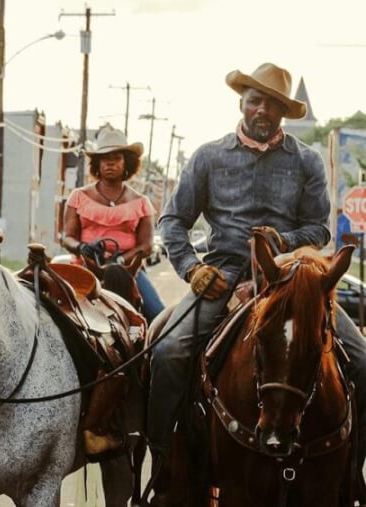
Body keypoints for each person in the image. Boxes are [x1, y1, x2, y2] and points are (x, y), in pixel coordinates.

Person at [149, 62, 366, 495]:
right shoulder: (209, 156)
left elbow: (319, 228)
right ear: (241, 103)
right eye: (255, 100)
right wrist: (193, 270)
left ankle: (351, 474)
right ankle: (164, 464)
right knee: (168, 353)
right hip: (223, 273)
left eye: (272, 104)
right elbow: (172, 220)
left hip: (292, 276)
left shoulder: (305, 161)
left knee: (361, 361)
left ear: (284, 112)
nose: (262, 110)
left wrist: (282, 240)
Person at [61, 125, 165, 322]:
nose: (110, 163)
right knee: (53, 315)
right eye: (104, 159)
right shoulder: (78, 197)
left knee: (159, 316)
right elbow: (67, 238)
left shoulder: (142, 202)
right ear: (97, 164)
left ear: (127, 162)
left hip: (127, 272)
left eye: (116, 158)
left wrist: (120, 260)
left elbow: (147, 246)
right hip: (83, 267)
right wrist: (82, 247)